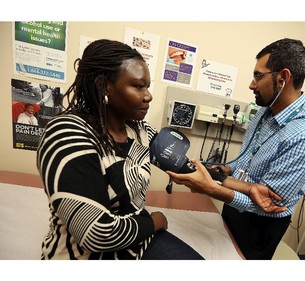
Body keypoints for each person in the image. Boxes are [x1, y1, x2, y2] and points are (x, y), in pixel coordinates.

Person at [36, 39, 204, 260]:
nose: (148, 95)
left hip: (137, 242)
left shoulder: (139, 131)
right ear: (103, 85)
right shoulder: (66, 133)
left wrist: (240, 187)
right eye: (138, 86)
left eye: (148, 86)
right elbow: (96, 234)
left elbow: (184, 165)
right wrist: (154, 221)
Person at [167, 38, 305, 260]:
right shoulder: (265, 111)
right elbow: (247, 163)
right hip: (233, 208)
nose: (251, 85)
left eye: (258, 75)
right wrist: (226, 171)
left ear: (283, 78)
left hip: (260, 226)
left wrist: (213, 188)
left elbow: (269, 203)